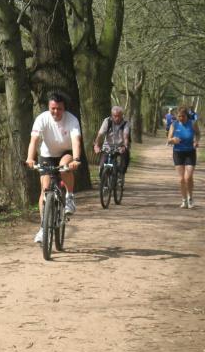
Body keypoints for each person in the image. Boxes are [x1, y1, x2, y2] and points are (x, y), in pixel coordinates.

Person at [25, 91, 83, 243]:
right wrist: (30, 158)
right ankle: (43, 227)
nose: (56, 112)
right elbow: (34, 141)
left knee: (64, 166)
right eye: (53, 108)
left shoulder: (72, 120)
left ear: (64, 109)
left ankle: (69, 197)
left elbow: (76, 141)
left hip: (66, 152)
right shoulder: (42, 119)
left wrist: (76, 159)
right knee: (44, 189)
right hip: (47, 154)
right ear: (49, 107)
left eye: (59, 109)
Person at [167, 105, 199, 208]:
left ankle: (190, 198)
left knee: (188, 177)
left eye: (183, 116)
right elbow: (168, 139)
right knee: (181, 179)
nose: (181, 118)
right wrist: (173, 140)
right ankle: (184, 200)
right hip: (178, 152)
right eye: (179, 116)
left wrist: (196, 141)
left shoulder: (192, 123)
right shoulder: (174, 125)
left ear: (187, 116)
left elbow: (198, 134)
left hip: (190, 152)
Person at [93, 105, 130, 178]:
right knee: (102, 166)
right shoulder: (107, 121)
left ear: (122, 115)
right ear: (112, 115)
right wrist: (96, 145)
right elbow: (100, 134)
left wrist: (124, 146)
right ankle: (104, 179)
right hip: (108, 147)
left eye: (119, 116)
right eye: (115, 116)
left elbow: (126, 136)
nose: (117, 118)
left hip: (120, 147)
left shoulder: (126, 123)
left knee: (125, 156)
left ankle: (121, 174)